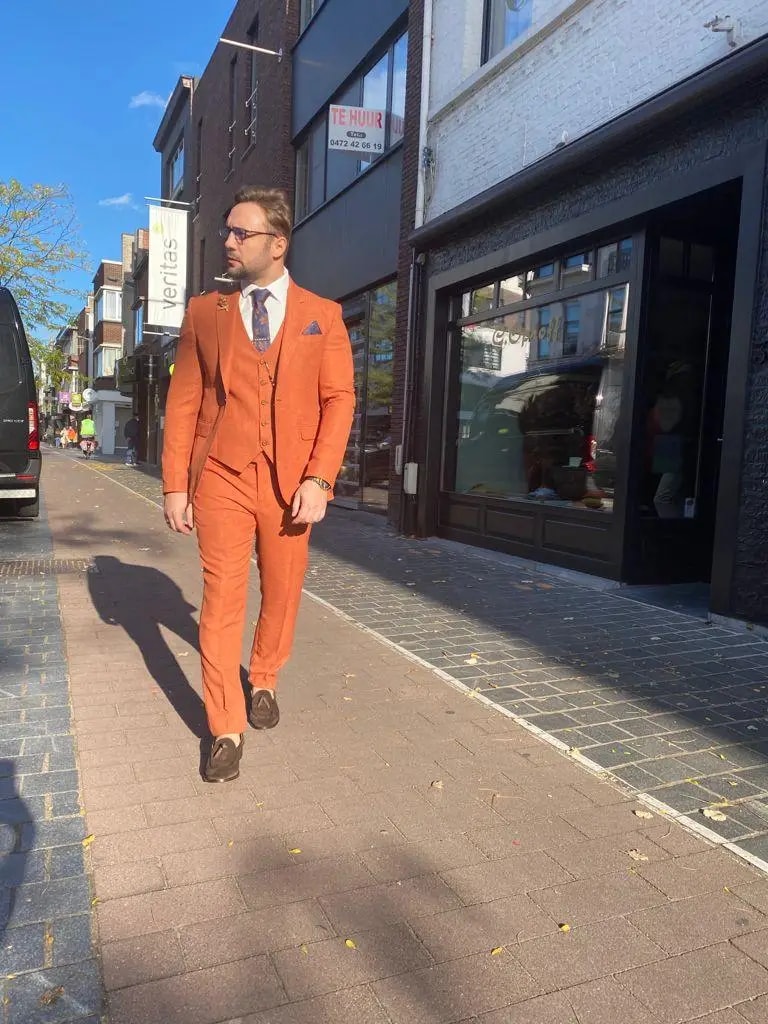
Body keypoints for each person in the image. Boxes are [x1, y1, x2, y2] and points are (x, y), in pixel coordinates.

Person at [162, 186, 355, 783]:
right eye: (226, 232)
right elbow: (184, 400)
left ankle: (264, 675)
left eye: (240, 233)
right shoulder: (204, 314)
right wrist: (175, 485)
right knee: (222, 599)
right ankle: (224, 726)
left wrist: (321, 477)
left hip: (290, 481)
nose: (228, 241)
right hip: (220, 474)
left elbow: (339, 400)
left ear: (278, 242)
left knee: (283, 589)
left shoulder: (323, 314)